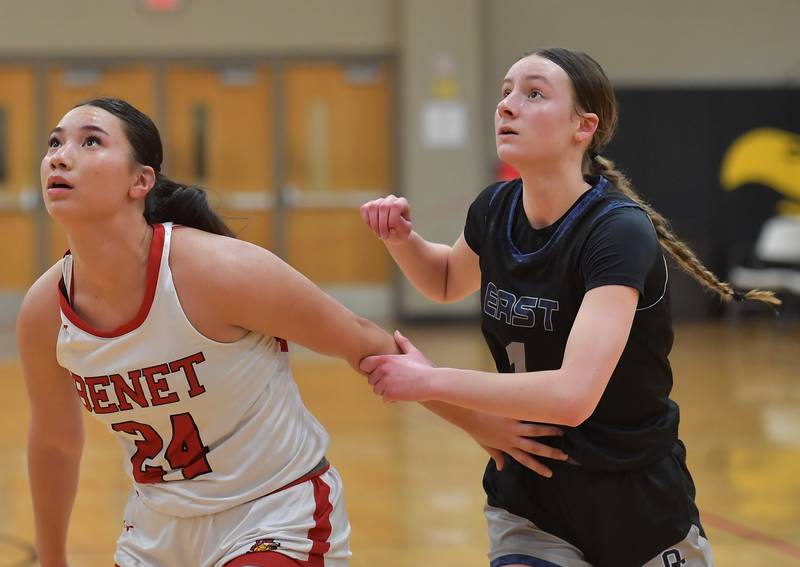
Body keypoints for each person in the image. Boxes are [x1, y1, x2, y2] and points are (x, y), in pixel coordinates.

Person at [18, 97, 567, 567]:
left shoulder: (214, 270)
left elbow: (364, 343)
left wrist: (478, 423)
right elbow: (56, 443)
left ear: (141, 181)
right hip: (156, 530)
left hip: (272, 512)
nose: (61, 156)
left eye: (91, 142)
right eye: (54, 142)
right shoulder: (45, 309)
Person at [360, 48, 780, 567]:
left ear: (584, 126)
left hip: (637, 503)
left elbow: (572, 395)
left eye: (533, 93)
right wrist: (402, 239)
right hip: (531, 502)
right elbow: (446, 280)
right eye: (506, 92)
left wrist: (430, 381)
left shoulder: (615, 230)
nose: (508, 105)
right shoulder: (495, 207)